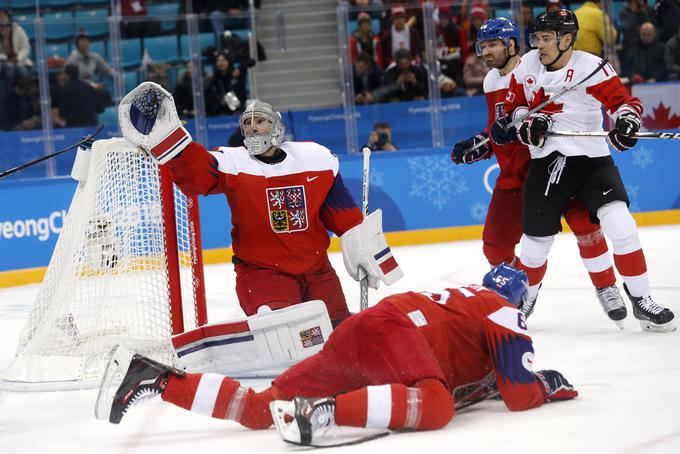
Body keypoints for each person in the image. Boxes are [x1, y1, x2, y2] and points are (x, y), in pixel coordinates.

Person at [96, 264, 578, 446]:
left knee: (263, 408)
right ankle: (322, 414)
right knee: (436, 405)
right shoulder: (501, 310)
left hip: (368, 331)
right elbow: (519, 396)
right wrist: (545, 385)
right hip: (397, 334)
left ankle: (156, 378)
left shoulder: (466, 299)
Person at [116, 83, 403, 327]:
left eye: (260, 122)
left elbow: (343, 214)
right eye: (247, 123)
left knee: (340, 330)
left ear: (277, 126)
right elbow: (198, 176)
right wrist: (172, 141)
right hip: (264, 274)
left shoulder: (316, 157)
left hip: (317, 271)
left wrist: (363, 245)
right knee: (285, 332)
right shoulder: (233, 162)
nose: (253, 128)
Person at [489, 9, 676, 332]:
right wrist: (527, 123)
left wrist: (627, 122)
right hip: (546, 163)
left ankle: (642, 299)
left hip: (591, 162)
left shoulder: (592, 68)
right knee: (534, 246)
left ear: (566, 40)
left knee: (622, 226)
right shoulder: (527, 66)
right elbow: (514, 106)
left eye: (546, 39)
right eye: (536, 38)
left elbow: (623, 103)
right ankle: (525, 299)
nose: (539, 45)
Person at [451, 18, 626, 326]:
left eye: (492, 44)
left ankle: (606, 286)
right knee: (495, 244)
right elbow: (501, 124)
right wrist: (485, 142)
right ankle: (520, 289)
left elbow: (552, 119)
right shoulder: (491, 80)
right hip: (512, 176)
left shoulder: (536, 69)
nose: (485, 52)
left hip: (551, 167)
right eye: (483, 46)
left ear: (511, 44)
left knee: (587, 229)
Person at [204, 51, 248, 116]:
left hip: (239, 108)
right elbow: (208, 93)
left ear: (228, 61)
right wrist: (219, 99)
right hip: (222, 110)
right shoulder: (216, 77)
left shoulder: (236, 73)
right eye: (218, 61)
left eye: (223, 60)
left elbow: (251, 61)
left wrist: (240, 69)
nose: (221, 63)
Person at [0, 9, 32, 88]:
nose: (1, 18)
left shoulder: (18, 30)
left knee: (22, 70)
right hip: (2, 61)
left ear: (8, 18)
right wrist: (7, 58)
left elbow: (25, 47)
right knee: (10, 69)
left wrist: (18, 58)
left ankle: (25, 94)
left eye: (3, 16)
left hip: (19, 59)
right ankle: (8, 96)